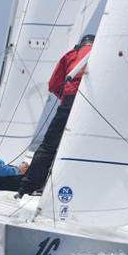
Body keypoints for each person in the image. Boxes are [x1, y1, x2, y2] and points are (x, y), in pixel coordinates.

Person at [17, 34, 94, 196]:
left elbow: (53, 84)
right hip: (95, 105)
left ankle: (29, 188)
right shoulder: (104, 52)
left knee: (48, 146)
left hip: (70, 101)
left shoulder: (71, 55)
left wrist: (65, 98)